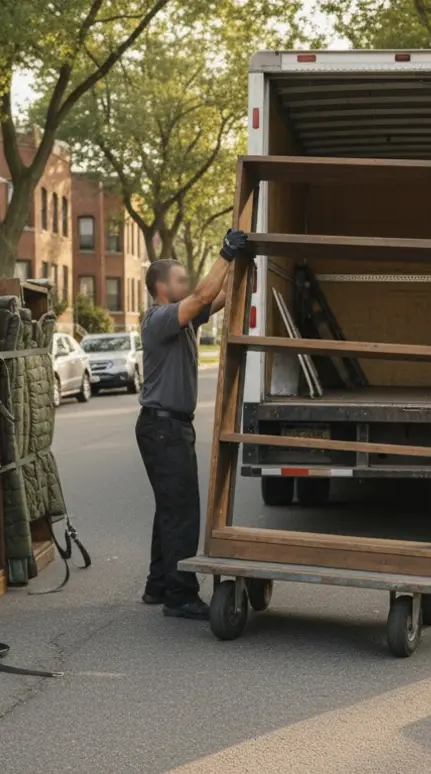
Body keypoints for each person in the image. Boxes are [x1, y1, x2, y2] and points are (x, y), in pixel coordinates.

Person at [135, 228, 248, 620]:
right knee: (181, 511)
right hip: (163, 429)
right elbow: (202, 296)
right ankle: (180, 596)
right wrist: (226, 254)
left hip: (167, 427)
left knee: (169, 507)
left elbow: (215, 298)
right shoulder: (160, 319)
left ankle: (157, 584)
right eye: (180, 279)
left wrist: (239, 264)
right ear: (161, 287)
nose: (187, 283)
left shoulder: (182, 320)